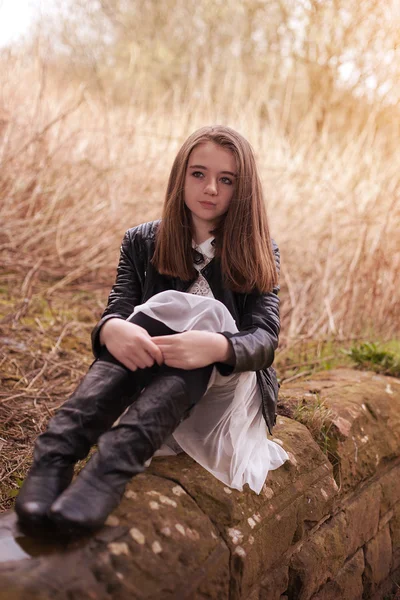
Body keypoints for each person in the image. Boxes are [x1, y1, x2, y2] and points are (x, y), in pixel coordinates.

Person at [15, 125, 288, 536]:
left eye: (226, 179)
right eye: (198, 174)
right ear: (181, 176)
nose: (210, 188)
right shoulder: (142, 241)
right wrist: (112, 331)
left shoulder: (257, 248)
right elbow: (120, 309)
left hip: (226, 389)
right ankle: (56, 453)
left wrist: (214, 347)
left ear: (242, 189)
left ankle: (110, 467)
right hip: (156, 378)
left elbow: (264, 341)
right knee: (143, 317)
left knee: (205, 317)